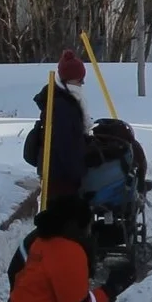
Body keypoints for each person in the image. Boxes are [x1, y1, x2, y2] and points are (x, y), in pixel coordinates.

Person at [21, 48, 91, 198]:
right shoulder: (62, 106)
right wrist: (79, 173)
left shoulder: (65, 100)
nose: (82, 83)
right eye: (79, 79)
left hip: (58, 171)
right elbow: (64, 144)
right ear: (67, 80)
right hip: (60, 175)